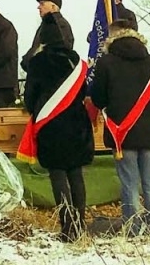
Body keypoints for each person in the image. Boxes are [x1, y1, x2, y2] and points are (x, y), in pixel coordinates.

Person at [22, 13, 95, 241]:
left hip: (50, 125)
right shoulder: (75, 61)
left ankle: (67, 227)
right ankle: (80, 225)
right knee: (76, 174)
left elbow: (30, 97)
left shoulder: (38, 62)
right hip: (76, 123)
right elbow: (83, 92)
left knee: (58, 175)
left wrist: (38, 109)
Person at [90, 22, 150, 235]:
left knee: (129, 183)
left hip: (121, 132)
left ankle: (132, 228)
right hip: (148, 130)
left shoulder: (106, 62)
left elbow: (98, 97)